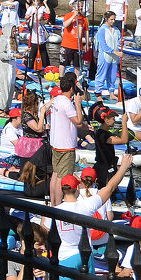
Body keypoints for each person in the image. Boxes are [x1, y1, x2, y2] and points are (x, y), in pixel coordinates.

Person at [45, 154, 133, 280]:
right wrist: (123, 168)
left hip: (65, 258)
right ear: (77, 189)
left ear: (62, 190)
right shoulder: (86, 206)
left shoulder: (54, 212)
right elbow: (110, 187)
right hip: (85, 255)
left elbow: (42, 231)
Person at [49, 71, 87, 205]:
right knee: (62, 177)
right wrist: (77, 104)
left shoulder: (57, 100)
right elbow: (77, 121)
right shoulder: (66, 103)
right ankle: (58, 205)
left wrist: (86, 127)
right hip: (65, 146)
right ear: (71, 88)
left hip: (56, 143)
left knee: (55, 174)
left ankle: (53, 203)